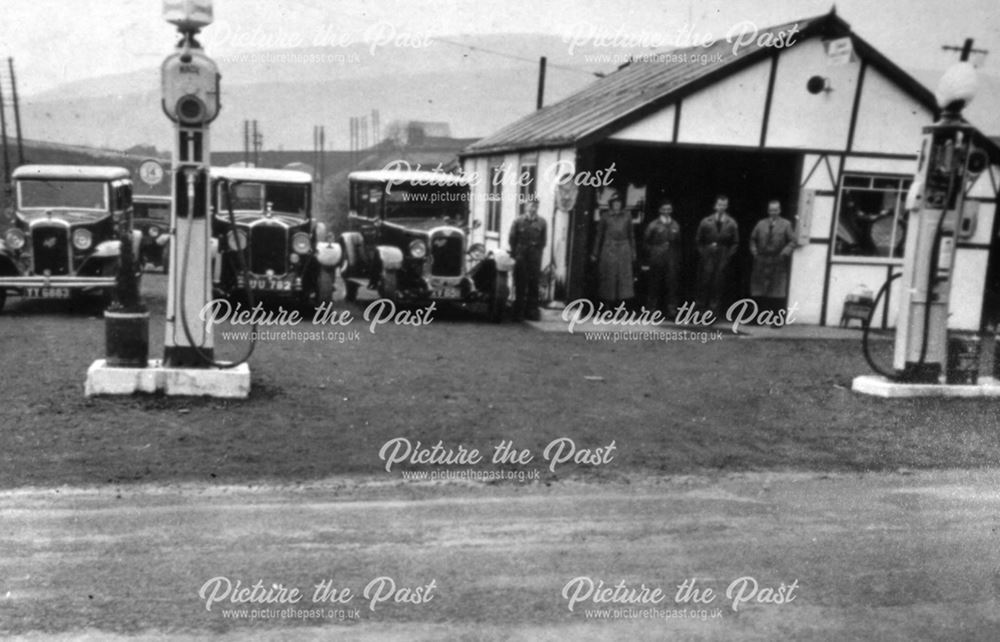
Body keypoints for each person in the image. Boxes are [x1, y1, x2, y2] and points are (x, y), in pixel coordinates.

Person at [749, 199, 796, 317]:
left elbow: (792, 241)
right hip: (762, 260)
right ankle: (756, 318)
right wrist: (754, 251)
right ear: (768, 211)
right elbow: (752, 239)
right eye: (771, 210)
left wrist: (784, 253)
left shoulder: (786, 224)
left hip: (777, 260)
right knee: (758, 288)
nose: (773, 212)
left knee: (777, 290)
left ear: (779, 210)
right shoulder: (761, 224)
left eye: (775, 210)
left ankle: (776, 319)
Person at [695, 194, 739, 314]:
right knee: (704, 282)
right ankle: (700, 310)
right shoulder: (706, 221)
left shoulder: (731, 223)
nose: (722, 207)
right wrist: (704, 253)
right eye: (720, 204)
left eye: (724, 205)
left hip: (722, 255)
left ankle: (713, 311)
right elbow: (698, 240)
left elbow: (735, 242)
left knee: (717, 284)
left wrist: (728, 256)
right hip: (708, 256)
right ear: (715, 205)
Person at [590, 191, 636, 306]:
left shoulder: (627, 216)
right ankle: (607, 306)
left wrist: (633, 252)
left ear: (622, 203)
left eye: (619, 202)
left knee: (623, 280)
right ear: (611, 203)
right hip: (608, 248)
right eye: (615, 202)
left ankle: (621, 308)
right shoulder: (605, 216)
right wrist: (595, 253)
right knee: (608, 278)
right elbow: (599, 235)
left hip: (624, 249)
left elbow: (631, 235)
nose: (617, 204)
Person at [508, 200, 547, 321]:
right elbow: (512, 239)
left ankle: (531, 311)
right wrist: (516, 253)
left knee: (533, 284)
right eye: (531, 206)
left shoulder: (542, 222)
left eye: (535, 207)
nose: (533, 209)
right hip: (521, 256)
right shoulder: (518, 221)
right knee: (520, 283)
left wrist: (537, 253)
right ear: (526, 207)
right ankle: (518, 312)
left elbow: (543, 241)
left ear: (538, 208)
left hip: (534, 257)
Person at [643, 200, 682, 316]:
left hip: (671, 259)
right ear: (660, 210)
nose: (666, 211)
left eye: (668, 209)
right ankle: (651, 309)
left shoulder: (675, 225)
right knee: (654, 284)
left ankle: (672, 310)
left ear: (671, 210)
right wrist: (655, 251)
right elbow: (646, 243)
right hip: (657, 258)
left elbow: (678, 243)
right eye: (664, 209)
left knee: (672, 284)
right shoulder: (653, 225)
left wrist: (676, 259)